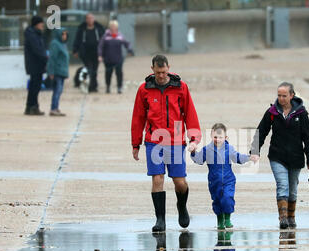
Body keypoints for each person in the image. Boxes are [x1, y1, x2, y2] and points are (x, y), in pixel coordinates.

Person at [131, 54, 201, 233]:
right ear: (152, 69)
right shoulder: (144, 89)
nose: (161, 75)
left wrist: (194, 138)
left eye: (164, 72)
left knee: (180, 182)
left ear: (168, 68)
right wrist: (135, 144)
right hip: (154, 141)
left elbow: (190, 113)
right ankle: (160, 220)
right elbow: (138, 118)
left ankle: (181, 206)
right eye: (158, 72)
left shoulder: (181, 87)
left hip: (176, 141)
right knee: (157, 179)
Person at [250, 82, 309, 230]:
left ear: (292, 95)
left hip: (296, 157)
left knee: (292, 190)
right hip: (277, 156)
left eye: (284, 95)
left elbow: (308, 138)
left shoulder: (301, 113)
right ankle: (283, 219)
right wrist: (255, 150)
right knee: (282, 186)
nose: (281, 98)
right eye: (279, 95)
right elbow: (261, 131)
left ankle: (291, 217)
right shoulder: (272, 112)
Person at [191, 123, 252, 230]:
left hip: (228, 180)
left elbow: (238, 158)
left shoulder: (229, 148)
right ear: (211, 136)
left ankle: (227, 219)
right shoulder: (207, 149)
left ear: (225, 137)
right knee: (217, 201)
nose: (217, 139)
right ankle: (220, 220)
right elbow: (199, 160)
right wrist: (193, 152)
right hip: (214, 181)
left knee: (227, 198)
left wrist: (249, 157)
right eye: (215, 137)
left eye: (220, 137)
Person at [98, 20, 133, 94]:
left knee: (119, 73)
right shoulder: (105, 36)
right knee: (108, 73)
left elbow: (127, 44)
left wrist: (129, 50)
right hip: (108, 59)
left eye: (115, 27)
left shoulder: (120, 36)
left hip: (118, 59)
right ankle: (108, 87)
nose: (113, 28)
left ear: (117, 27)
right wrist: (100, 55)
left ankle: (119, 87)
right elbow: (100, 46)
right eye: (112, 27)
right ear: (110, 27)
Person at [73, 13, 104, 93]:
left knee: (95, 69)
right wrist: (75, 50)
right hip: (85, 53)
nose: (90, 20)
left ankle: (93, 85)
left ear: (94, 19)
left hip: (96, 53)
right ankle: (88, 85)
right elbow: (77, 40)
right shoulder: (81, 29)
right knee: (88, 69)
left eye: (91, 18)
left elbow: (103, 41)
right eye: (88, 18)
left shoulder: (99, 28)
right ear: (86, 19)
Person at [24, 16, 47, 116]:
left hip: (36, 64)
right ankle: (33, 107)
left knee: (34, 85)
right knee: (35, 86)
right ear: (36, 24)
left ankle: (30, 106)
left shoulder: (35, 34)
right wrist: (46, 57)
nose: (43, 25)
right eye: (41, 23)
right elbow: (37, 50)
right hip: (35, 64)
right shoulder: (32, 35)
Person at [47, 28, 69, 116]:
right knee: (57, 90)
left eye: (65, 34)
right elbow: (52, 58)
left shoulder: (63, 44)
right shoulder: (55, 44)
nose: (64, 36)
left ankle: (56, 107)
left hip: (62, 71)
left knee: (59, 91)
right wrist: (51, 71)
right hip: (57, 71)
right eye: (63, 34)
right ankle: (53, 108)